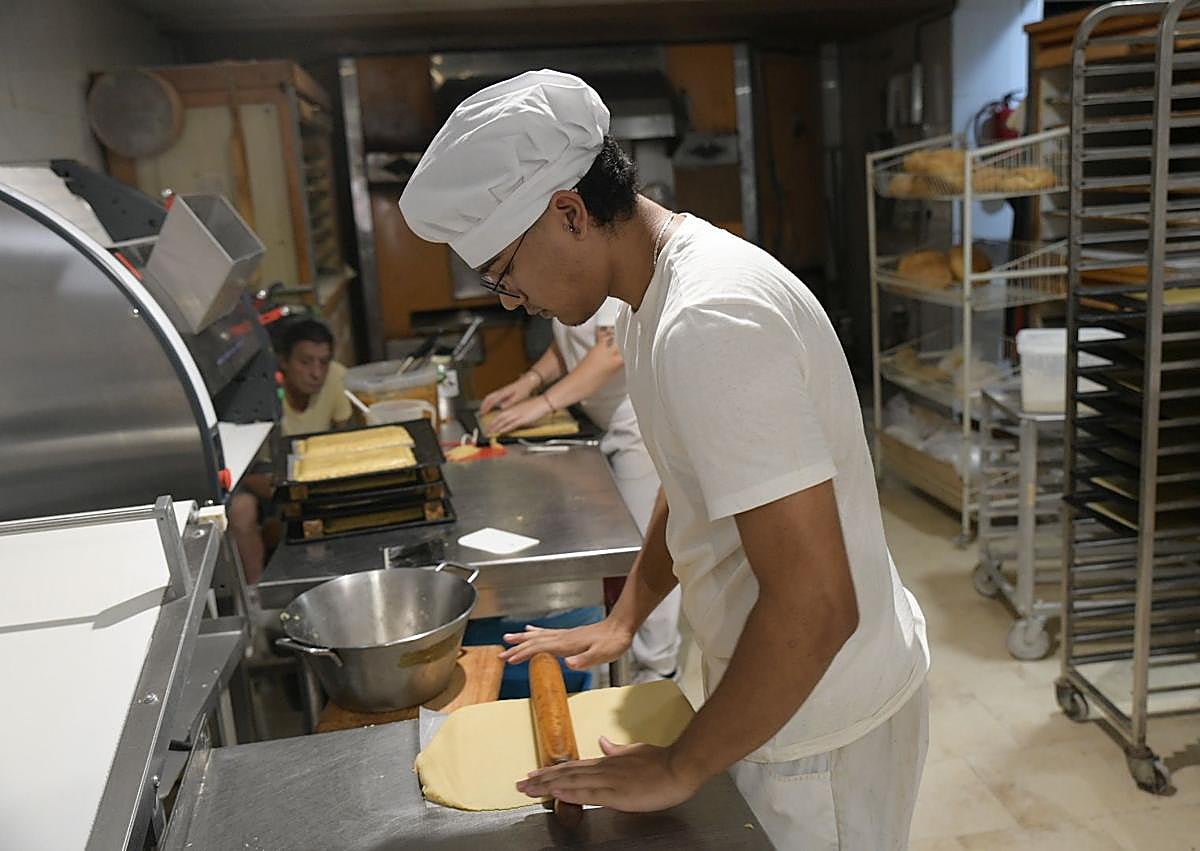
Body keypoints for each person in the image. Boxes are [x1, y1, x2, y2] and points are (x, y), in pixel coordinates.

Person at [399, 70, 930, 849]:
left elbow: (818, 602)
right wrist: (625, 618)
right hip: (781, 690)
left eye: (504, 275)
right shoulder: (650, 301)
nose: (512, 300)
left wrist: (682, 764)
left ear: (569, 212)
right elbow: (690, 486)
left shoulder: (712, 320)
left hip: (823, 724)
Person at [481, 300, 682, 683]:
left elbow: (611, 351)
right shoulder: (568, 289)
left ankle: (659, 666)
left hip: (635, 426)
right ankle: (621, 649)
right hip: (603, 422)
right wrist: (529, 382)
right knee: (625, 553)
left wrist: (544, 403)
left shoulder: (601, 286)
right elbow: (569, 344)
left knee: (648, 547)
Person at [227, 318, 351, 583]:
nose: (316, 373)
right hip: (268, 481)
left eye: (323, 362)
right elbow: (247, 471)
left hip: (315, 474)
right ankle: (256, 592)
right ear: (283, 361)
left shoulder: (336, 379)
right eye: (305, 362)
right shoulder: (261, 395)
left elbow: (346, 436)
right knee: (240, 509)